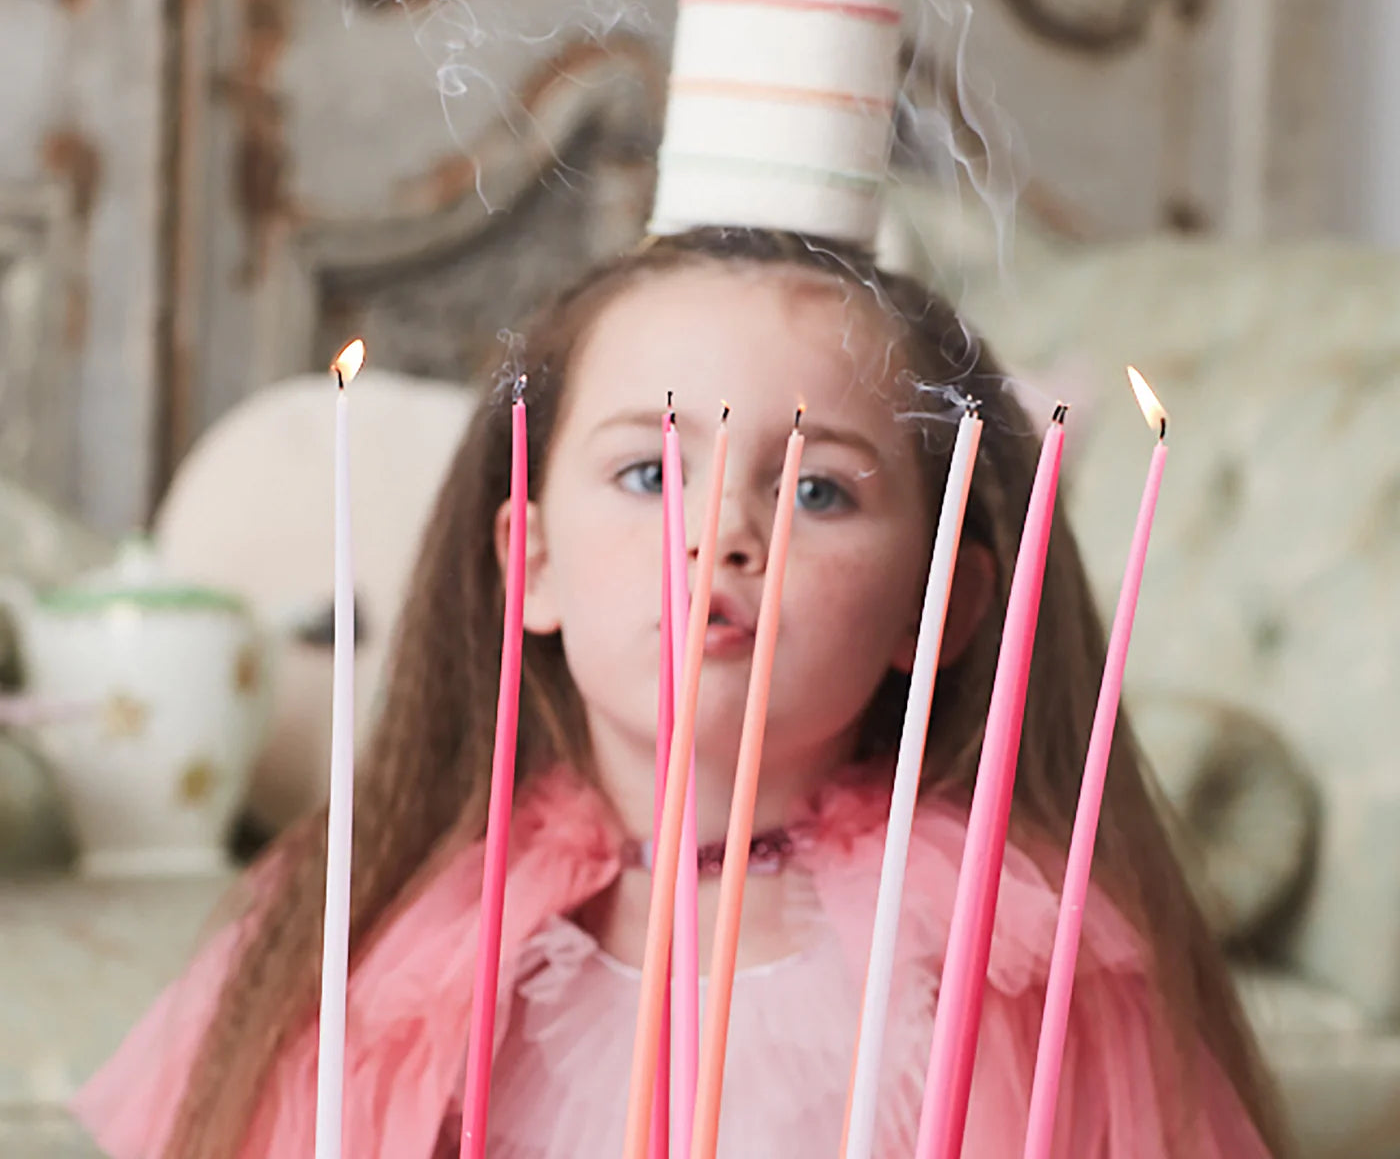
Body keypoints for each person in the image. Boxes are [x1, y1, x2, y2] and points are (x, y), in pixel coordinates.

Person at [73, 226, 1291, 1159]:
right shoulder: (389, 943)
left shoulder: (1006, 967)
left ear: (944, 604)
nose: (720, 533)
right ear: (530, 560)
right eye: (651, 471)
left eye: (818, 490)